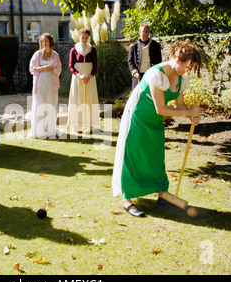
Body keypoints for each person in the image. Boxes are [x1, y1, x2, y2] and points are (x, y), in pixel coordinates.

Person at [112, 39, 202, 217]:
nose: (187, 72)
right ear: (178, 61)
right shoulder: (156, 74)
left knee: (155, 156)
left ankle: (162, 193)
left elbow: (180, 103)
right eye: (187, 67)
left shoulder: (180, 78)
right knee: (134, 155)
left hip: (154, 121)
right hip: (137, 118)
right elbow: (160, 108)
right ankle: (127, 199)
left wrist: (191, 114)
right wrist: (187, 112)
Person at [29, 33, 62, 139]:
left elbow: (58, 70)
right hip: (41, 82)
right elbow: (32, 69)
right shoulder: (37, 54)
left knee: (50, 104)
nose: (44, 43)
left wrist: (50, 69)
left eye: (46, 41)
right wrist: (45, 68)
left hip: (51, 83)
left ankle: (50, 129)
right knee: (40, 103)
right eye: (42, 41)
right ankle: (39, 130)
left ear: (50, 42)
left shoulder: (55, 55)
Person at [68, 28, 100, 135]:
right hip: (78, 79)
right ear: (79, 37)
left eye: (86, 37)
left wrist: (90, 76)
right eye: (83, 37)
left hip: (90, 79)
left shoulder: (93, 49)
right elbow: (71, 66)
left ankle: (89, 124)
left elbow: (95, 65)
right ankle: (75, 124)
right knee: (77, 100)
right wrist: (80, 76)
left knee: (89, 100)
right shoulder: (74, 50)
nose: (84, 39)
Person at [128, 24, 162, 90]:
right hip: (138, 75)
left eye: (147, 31)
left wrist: (155, 72)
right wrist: (135, 72)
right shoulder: (134, 46)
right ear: (140, 32)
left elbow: (159, 60)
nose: (145, 33)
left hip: (151, 74)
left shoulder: (155, 45)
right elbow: (130, 61)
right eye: (144, 31)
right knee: (138, 96)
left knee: (151, 95)